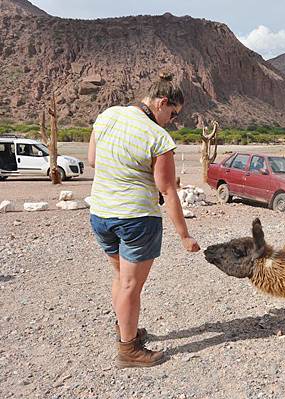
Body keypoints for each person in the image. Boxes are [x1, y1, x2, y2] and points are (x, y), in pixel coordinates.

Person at [88, 72, 200, 368]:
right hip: (136, 220)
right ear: (163, 103)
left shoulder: (107, 116)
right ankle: (129, 350)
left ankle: (125, 329)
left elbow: (93, 160)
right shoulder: (158, 137)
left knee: (122, 278)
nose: (172, 120)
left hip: (100, 215)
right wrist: (185, 236)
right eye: (173, 114)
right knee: (130, 287)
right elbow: (168, 190)